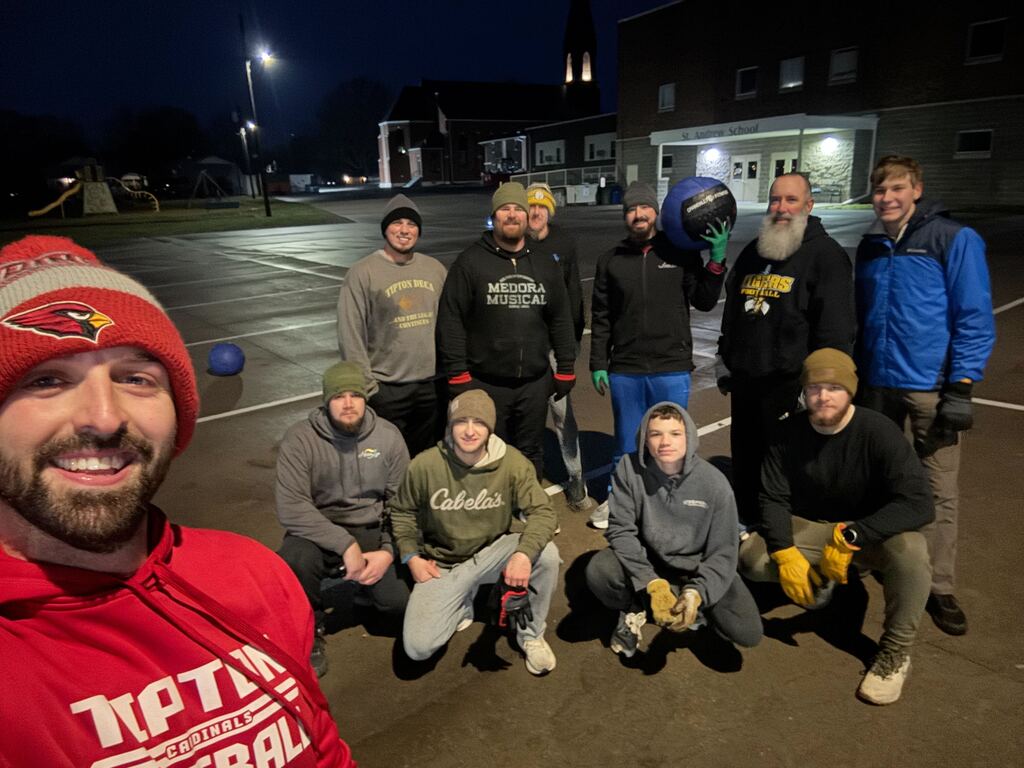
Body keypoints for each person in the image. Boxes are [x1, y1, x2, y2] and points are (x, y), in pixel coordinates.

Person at [0, 235, 354, 766]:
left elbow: (323, 746)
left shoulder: (258, 575)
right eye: (48, 380)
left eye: (135, 378)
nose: (104, 417)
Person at [739, 348, 934, 705]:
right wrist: (784, 552)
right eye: (814, 388)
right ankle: (819, 580)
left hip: (863, 531)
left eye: (834, 387)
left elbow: (919, 503)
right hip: (812, 526)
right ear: (804, 392)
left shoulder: (878, 431)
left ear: (851, 391)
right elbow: (773, 498)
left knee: (912, 553)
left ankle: (895, 653)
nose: (824, 396)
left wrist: (855, 535)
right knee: (753, 559)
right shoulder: (787, 432)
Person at [854, 155, 994, 637]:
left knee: (937, 488)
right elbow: (862, 315)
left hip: (930, 389)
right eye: (879, 190)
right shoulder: (872, 245)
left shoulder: (952, 238)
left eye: (897, 188)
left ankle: (938, 585)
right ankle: (873, 555)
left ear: (917, 189)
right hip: (878, 384)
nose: (887, 198)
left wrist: (962, 386)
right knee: (875, 479)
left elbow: (974, 316)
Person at [389, 389, 560, 674]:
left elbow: (543, 512)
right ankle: (462, 598)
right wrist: (411, 556)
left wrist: (522, 555)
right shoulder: (425, 465)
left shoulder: (512, 462)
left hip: (492, 553)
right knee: (418, 648)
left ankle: (531, 634)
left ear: (490, 428)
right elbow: (401, 511)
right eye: (461, 421)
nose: (470, 431)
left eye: (479, 422)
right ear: (450, 425)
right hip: (443, 564)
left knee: (547, 555)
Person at [718, 172, 855, 526]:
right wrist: (725, 357)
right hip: (747, 383)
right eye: (775, 200)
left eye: (791, 200)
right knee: (746, 461)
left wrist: (820, 387)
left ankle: (785, 533)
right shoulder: (755, 251)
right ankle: (748, 525)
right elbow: (733, 311)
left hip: (791, 388)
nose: (781, 208)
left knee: (787, 470)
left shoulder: (826, 257)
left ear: (808, 205)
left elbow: (836, 333)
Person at [589, 181, 726, 527]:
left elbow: (705, 301)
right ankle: (619, 500)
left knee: (671, 442)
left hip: (671, 366)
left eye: (644, 208)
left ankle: (671, 502)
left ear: (656, 212)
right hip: (626, 368)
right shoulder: (611, 260)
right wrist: (598, 363)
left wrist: (716, 261)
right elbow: (602, 316)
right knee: (625, 443)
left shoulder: (681, 253)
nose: (638, 214)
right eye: (631, 209)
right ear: (625, 216)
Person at [585, 402, 762, 658]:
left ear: (688, 437)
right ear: (645, 440)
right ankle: (633, 607)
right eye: (656, 434)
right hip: (649, 559)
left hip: (696, 565)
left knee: (747, 632)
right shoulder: (628, 468)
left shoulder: (715, 483)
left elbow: (723, 551)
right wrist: (650, 582)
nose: (665, 442)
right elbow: (620, 530)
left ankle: (689, 600)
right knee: (600, 570)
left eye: (675, 433)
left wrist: (698, 592)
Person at [276, 361, 411, 677]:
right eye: (339, 396)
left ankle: (366, 594)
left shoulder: (388, 437)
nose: (348, 403)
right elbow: (292, 506)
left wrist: (388, 550)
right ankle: (310, 629)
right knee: (294, 560)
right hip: (320, 527)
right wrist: (345, 544)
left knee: (399, 606)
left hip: (371, 526)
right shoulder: (300, 439)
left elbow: (403, 504)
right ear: (326, 401)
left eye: (355, 395)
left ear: (366, 398)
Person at [437, 182, 576, 480]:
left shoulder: (544, 262)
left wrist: (565, 367)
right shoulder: (470, 262)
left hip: (534, 383)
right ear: (494, 216)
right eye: (504, 209)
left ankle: (527, 501)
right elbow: (451, 320)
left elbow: (561, 318)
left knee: (530, 450)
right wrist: (458, 374)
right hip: (485, 382)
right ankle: (493, 505)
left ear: (526, 217)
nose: (512, 215)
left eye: (518, 209)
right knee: (488, 451)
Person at [337, 193, 447, 458]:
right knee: (385, 459)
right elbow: (350, 333)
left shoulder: (435, 269)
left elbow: (451, 322)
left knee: (426, 460)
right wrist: (368, 387)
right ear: (385, 229)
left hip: (432, 387)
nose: (404, 230)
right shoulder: (363, 272)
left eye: (411, 224)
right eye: (397, 223)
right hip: (387, 388)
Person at [526, 182, 590, 510]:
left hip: (554, 347)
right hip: (525, 347)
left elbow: (574, 292)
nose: (536, 212)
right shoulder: (515, 241)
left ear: (550, 211)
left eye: (542, 207)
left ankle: (575, 476)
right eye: (531, 206)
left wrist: (573, 341)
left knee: (563, 417)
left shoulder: (563, 242)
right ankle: (527, 485)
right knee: (527, 419)